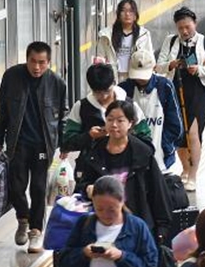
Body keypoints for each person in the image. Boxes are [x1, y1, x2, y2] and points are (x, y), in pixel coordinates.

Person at [0, 41, 67, 253]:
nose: (37, 67)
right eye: (33, 62)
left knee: (38, 187)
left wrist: (64, 143)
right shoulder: (12, 77)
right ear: (26, 59)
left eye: (42, 63)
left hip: (43, 143)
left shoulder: (56, 83)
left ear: (49, 62)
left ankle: (35, 231)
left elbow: (63, 115)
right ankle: (22, 218)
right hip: (17, 142)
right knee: (16, 187)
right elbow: (2, 111)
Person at [73, 100, 171, 245]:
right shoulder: (94, 152)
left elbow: (158, 193)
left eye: (120, 120)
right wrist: (87, 188)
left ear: (130, 123)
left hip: (135, 224)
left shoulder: (143, 154)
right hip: (101, 226)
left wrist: (162, 230)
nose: (114, 125)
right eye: (110, 119)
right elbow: (80, 185)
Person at [155, 7, 205, 192]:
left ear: (195, 24)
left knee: (193, 135)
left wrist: (199, 69)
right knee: (179, 134)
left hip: (198, 92)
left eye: (187, 27)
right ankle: (184, 168)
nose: (184, 31)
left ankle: (193, 175)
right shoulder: (171, 41)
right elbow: (158, 67)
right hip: (175, 91)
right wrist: (171, 65)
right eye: (180, 27)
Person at [60, 63, 151, 159]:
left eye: (107, 91)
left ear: (114, 83)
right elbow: (66, 142)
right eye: (98, 92)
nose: (104, 96)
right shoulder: (82, 107)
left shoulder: (130, 106)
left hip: (125, 166)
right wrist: (89, 136)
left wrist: (125, 136)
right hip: (92, 166)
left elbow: (146, 140)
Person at [120, 49, 183, 173]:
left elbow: (175, 123)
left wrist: (166, 147)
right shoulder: (123, 89)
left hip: (161, 158)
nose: (140, 80)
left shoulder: (165, 86)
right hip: (130, 158)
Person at [94, 0, 154, 82]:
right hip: (113, 78)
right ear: (118, 14)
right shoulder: (106, 35)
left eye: (131, 11)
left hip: (136, 77)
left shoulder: (143, 35)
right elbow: (100, 58)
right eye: (123, 11)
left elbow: (150, 58)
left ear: (135, 15)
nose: (127, 14)